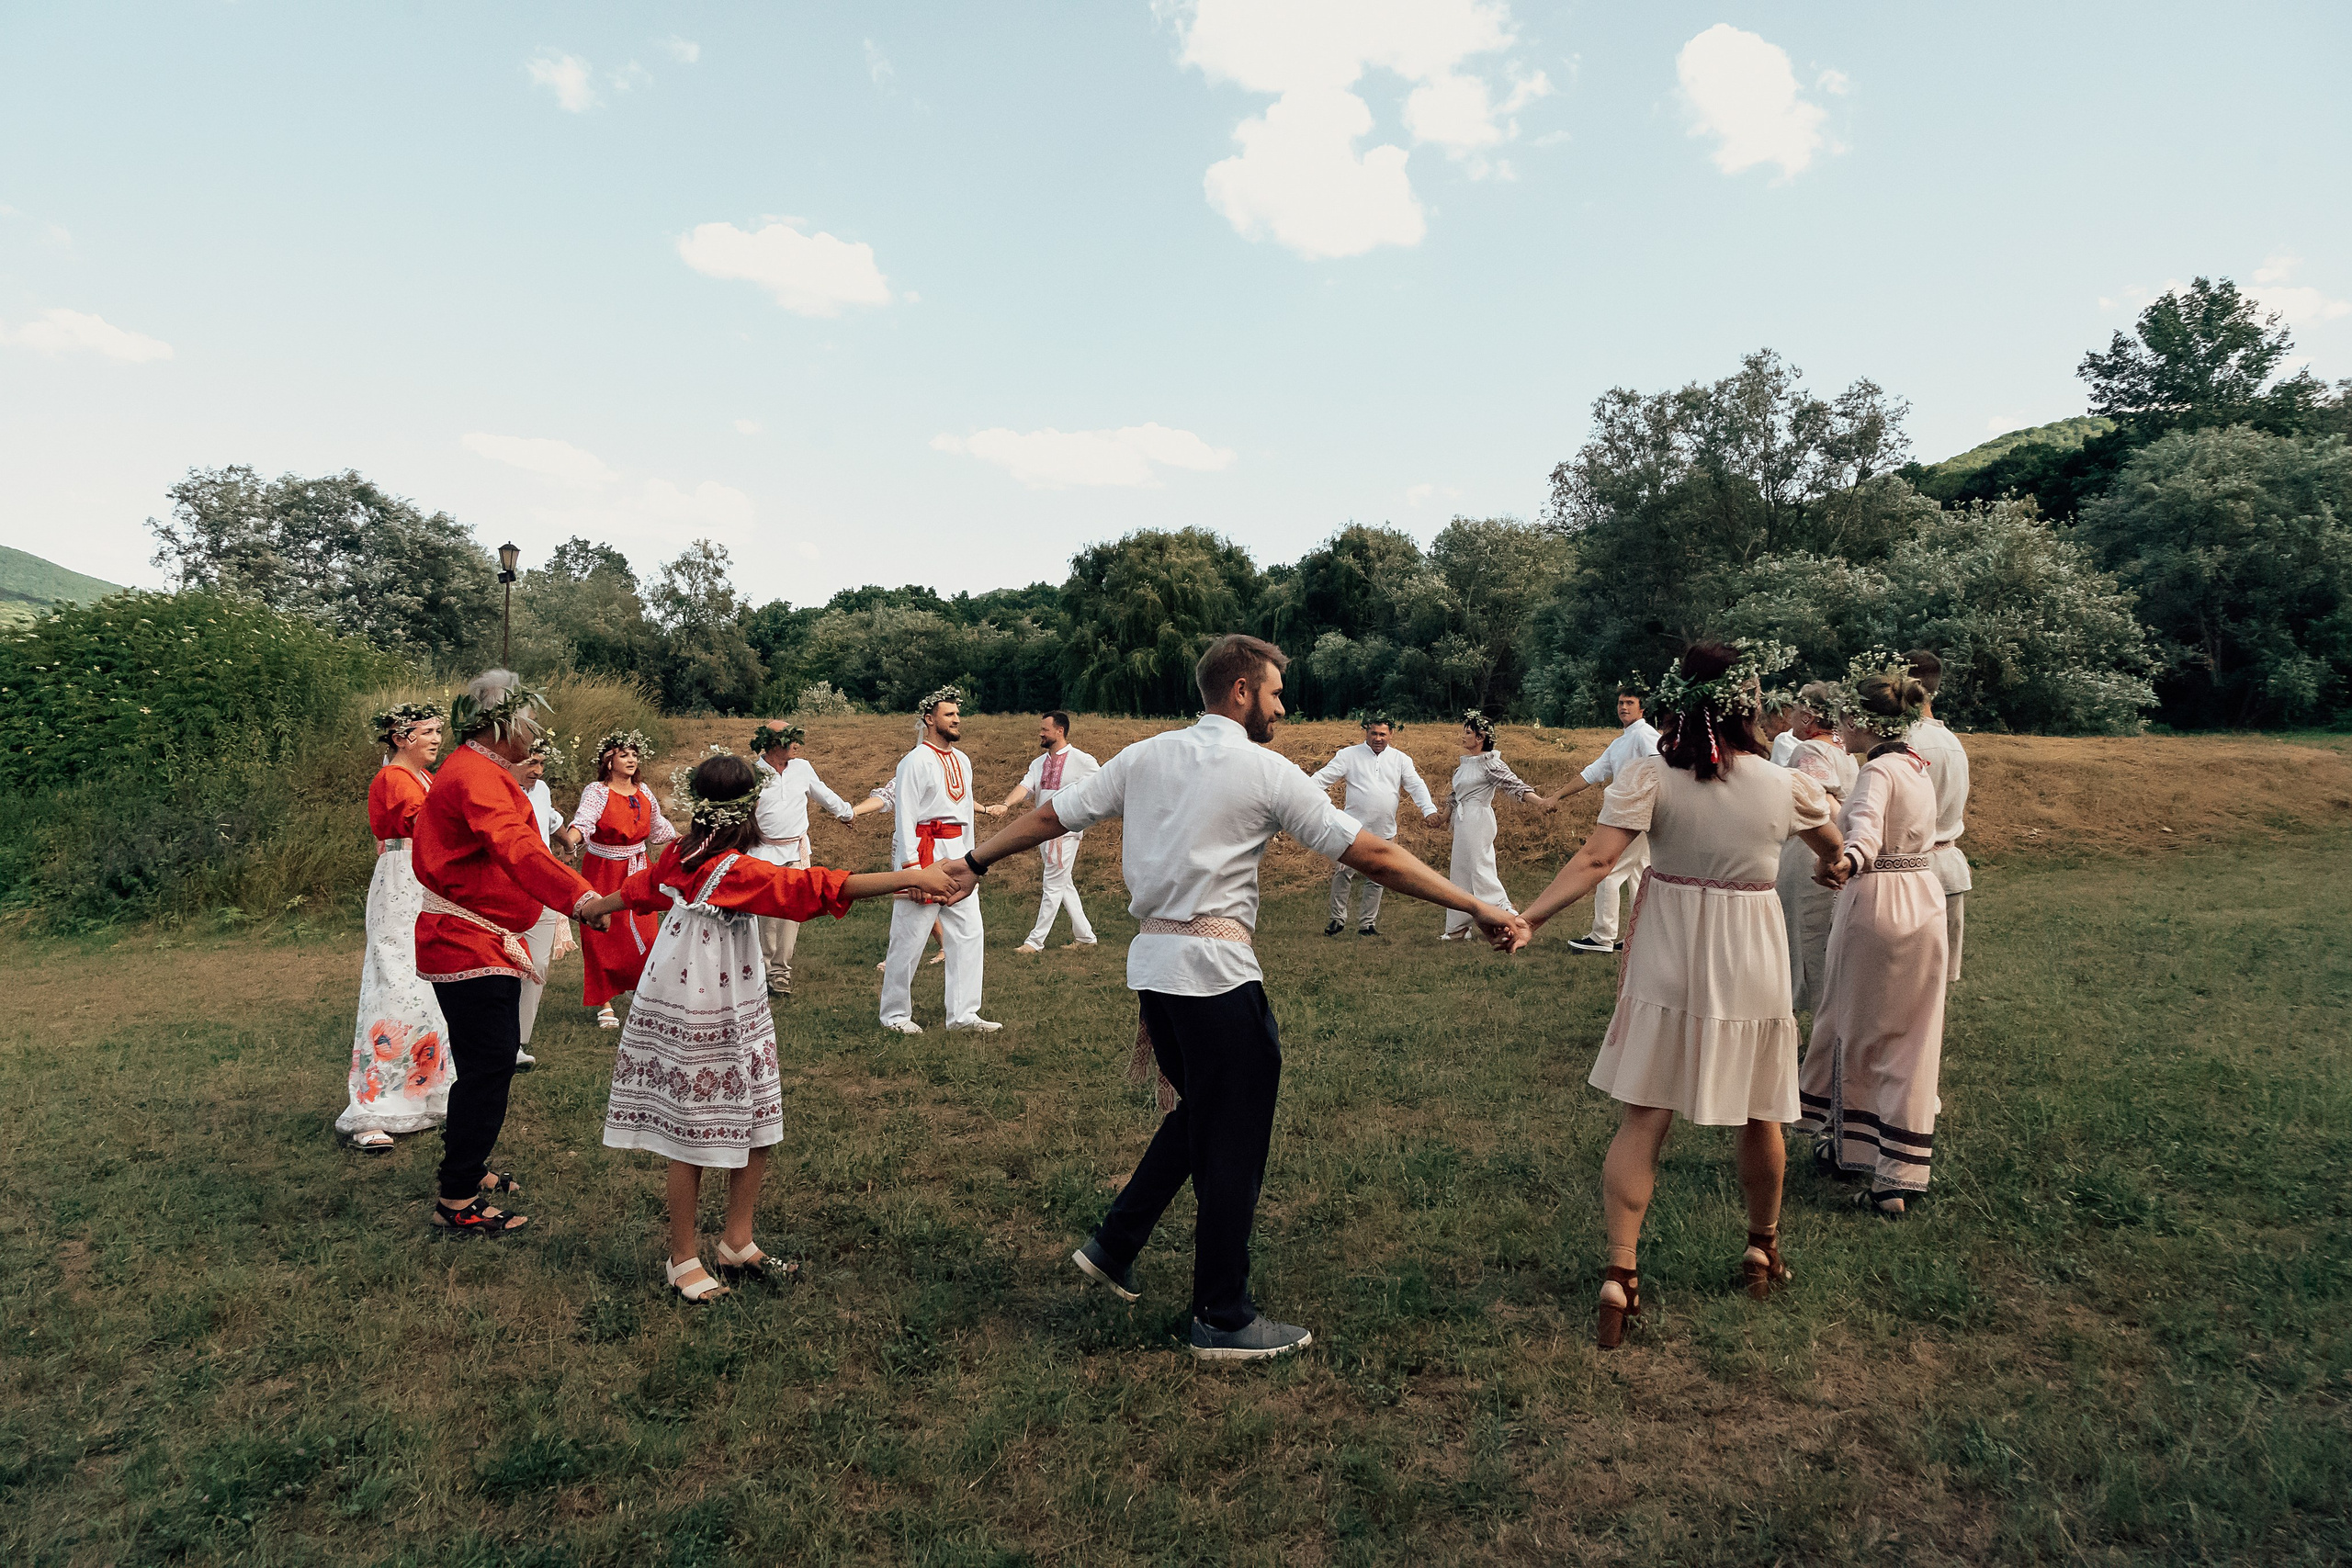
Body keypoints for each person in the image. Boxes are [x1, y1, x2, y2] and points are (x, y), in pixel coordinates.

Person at [948, 635, 1528, 1361]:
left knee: (1204, 1115)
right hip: (1216, 977)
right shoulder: (1264, 769)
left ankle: (1115, 1241)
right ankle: (1222, 1316)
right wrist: (1476, 904)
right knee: (1234, 1139)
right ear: (1242, 692)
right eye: (1277, 692)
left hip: (1155, 971)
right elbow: (1373, 854)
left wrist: (974, 860)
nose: (1284, 706)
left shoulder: (1145, 755)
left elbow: (1050, 816)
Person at [1517, 641, 1843, 1349]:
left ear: (1679, 698)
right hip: (1751, 951)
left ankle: (1621, 1273)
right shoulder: (1785, 784)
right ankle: (1762, 1248)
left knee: (1645, 1114)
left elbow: (1599, 857)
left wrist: (1531, 916)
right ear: (1748, 705)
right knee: (1761, 1113)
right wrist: (1838, 862)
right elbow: (1831, 845)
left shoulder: (1649, 777)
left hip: (1668, 947)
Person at [580, 751, 954, 1302]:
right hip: (700, 1000)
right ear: (749, 809)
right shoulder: (727, 869)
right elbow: (814, 888)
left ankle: (737, 1241)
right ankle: (682, 1256)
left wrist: (595, 906)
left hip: (727, 994)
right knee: (693, 1126)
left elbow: (642, 890)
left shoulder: (685, 855)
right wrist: (913, 875)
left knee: (754, 1112)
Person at [411, 671, 607, 1236]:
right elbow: (516, 846)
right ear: (502, 725)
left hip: (481, 935)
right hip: (467, 938)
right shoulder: (475, 775)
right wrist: (580, 896)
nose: (536, 734)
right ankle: (457, 1197)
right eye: (529, 723)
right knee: (491, 1062)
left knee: (486, 1062)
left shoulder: (483, 770)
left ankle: (466, 1166)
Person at [1796, 658, 1950, 1216]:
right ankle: (1875, 1156)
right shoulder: (1917, 766)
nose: (1841, 729)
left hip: (1880, 902)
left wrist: (1843, 863)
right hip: (1924, 900)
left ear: (1863, 721)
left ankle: (1876, 1167)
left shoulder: (1877, 773)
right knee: (1911, 1034)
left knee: (1854, 1027)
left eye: (1844, 720)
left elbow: (1863, 831)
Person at [337, 702, 453, 1150]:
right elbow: (419, 822)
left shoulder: (426, 778)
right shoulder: (393, 779)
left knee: (427, 982)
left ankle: (427, 1092)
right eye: (428, 731)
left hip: (424, 876)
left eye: (439, 731)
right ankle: (373, 1105)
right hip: (402, 878)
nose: (437, 739)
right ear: (402, 737)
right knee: (395, 981)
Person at [878, 687, 998, 1033]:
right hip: (926, 856)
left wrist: (975, 862)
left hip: (959, 855)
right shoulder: (913, 761)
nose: (957, 719)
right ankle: (895, 1016)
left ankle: (963, 1015)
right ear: (930, 720)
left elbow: (966, 815)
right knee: (909, 937)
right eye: (949, 714)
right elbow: (905, 818)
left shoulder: (963, 760)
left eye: (958, 714)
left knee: (969, 932)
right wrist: (911, 871)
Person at [559, 730, 676, 1028]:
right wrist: (569, 842)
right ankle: (604, 1002)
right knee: (603, 935)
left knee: (646, 930)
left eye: (635, 755)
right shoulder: (597, 791)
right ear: (608, 761)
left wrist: (687, 842)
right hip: (604, 869)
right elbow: (583, 822)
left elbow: (659, 828)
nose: (631, 759)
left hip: (639, 866)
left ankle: (641, 988)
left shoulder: (644, 792)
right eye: (624, 754)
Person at [747, 721, 856, 997]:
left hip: (795, 851)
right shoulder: (754, 773)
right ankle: (763, 969)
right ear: (774, 744)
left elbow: (823, 793)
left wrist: (847, 813)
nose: (797, 745)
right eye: (792, 740)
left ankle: (781, 972)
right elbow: (742, 811)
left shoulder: (802, 767)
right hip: (762, 851)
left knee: (791, 910)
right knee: (766, 912)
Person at [1554, 685, 1660, 954]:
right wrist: (1557, 796)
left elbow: (1661, 762)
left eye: (1630, 702)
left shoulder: (1645, 734)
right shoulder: (1620, 743)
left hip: (1635, 814)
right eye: (1620, 703)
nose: (1623, 707)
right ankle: (1642, 936)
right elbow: (1592, 773)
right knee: (1640, 873)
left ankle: (1602, 937)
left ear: (1642, 708)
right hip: (1634, 813)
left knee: (1609, 872)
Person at [1308, 715, 1439, 936]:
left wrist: (1429, 810)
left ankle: (1367, 924)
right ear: (1366, 733)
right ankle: (1337, 920)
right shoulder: (1349, 755)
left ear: (1391, 734)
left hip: (1384, 829)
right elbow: (1322, 779)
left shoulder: (1400, 760)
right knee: (1343, 873)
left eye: (1382, 734)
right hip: (1351, 829)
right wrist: (1300, 797)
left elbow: (1416, 785)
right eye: (1373, 733)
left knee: (1378, 876)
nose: (1378, 738)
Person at [984, 710, 1102, 953]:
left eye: (1045, 729)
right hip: (1043, 832)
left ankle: (1035, 942)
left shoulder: (1082, 760)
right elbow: (1026, 787)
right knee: (1062, 883)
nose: (1040, 733)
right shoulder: (1038, 763)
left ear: (1060, 731)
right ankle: (1086, 937)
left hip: (1065, 831)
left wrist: (1082, 814)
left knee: (1052, 885)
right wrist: (1005, 804)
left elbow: (1101, 788)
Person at [1773, 682, 1859, 1013]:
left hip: (1812, 851)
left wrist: (1835, 852)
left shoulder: (1809, 752)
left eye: (1795, 711)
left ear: (1807, 716)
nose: (1790, 717)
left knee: (1805, 938)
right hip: (1835, 848)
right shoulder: (1845, 752)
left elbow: (1822, 803)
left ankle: (1810, 1023)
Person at [1438, 710, 1556, 942]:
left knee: (1481, 869)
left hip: (1478, 819)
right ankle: (1457, 928)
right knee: (1460, 872)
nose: (1463, 736)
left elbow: (1514, 784)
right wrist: (1442, 817)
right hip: (1463, 820)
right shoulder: (1464, 765)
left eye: (1468, 732)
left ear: (1481, 737)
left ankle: (1509, 917)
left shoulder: (1490, 763)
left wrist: (1540, 802)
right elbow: (1455, 795)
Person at [509, 733, 578, 1069]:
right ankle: (494, 1037)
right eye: (530, 763)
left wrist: (566, 843)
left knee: (537, 963)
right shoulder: (498, 790)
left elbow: (550, 818)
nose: (537, 770)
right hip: (506, 884)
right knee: (503, 962)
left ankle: (518, 1042)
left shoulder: (542, 789)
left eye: (541, 764)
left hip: (542, 881)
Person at [1904, 650, 1973, 987]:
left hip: (1914, 871)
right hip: (1948, 869)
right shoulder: (1953, 741)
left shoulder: (1905, 743)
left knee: (1905, 979)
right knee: (1934, 982)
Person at [857, 779, 946, 970]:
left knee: (916, 905)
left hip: (938, 846)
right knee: (915, 903)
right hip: (909, 846)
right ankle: (942, 947)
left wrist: (988, 810)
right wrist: (854, 811)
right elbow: (886, 797)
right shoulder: (910, 772)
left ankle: (899, 958)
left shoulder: (947, 771)